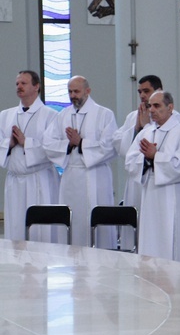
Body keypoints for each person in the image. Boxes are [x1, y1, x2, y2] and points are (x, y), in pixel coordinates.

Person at [43, 75, 117, 247]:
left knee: (95, 222)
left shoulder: (104, 114)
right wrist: (68, 145)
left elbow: (110, 146)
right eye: (70, 92)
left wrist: (81, 143)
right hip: (71, 177)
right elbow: (47, 143)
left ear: (88, 91)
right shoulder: (63, 115)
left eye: (76, 91)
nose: (73, 95)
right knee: (73, 220)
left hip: (96, 175)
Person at [125, 91, 180, 263]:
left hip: (172, 194)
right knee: (151, 239)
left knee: (171, 239)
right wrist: (148, 159)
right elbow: (130, 161)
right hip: (150, 193)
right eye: (150, 106)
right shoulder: (146, 133)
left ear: (170, 107)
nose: (152, 110)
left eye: (157, 106)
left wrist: (155, 156)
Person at [113, 75, 180, 251]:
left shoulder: (176, 119)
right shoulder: (132, 116)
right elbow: (122, 148)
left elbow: (174, 154)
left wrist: (154, 155)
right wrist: (138, 129)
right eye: (140, 92)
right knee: (139, 226)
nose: (143, 96)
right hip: (139, 179)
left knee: (158, 231)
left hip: (162, 184)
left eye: (146, 91)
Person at [0, 70, 60, 241]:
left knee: (40, 232)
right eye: (17, 83)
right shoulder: (5, 115)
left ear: (36, 86)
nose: (19, 86)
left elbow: (53, 148)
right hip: (15, 181)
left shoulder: (51, 115)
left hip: (39, 180)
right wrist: (9, 144)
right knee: (16, 227)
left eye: (23, 83)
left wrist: (27, 142)